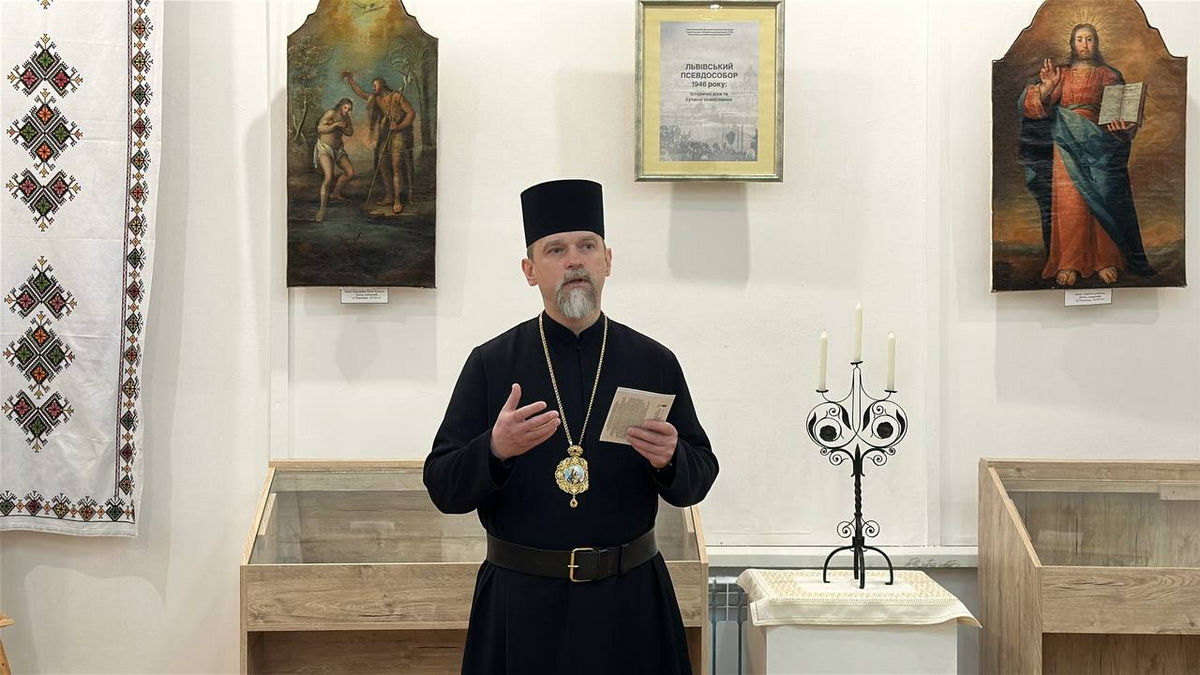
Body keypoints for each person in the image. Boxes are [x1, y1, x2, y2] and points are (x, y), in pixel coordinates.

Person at [424, 179, 718, 674]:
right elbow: (442, 487)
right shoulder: (491, 364)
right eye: (555, 250)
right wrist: (494, 449)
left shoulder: (653, 362)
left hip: (630, 604)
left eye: (587, 246)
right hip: (522, 606)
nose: (574, 261)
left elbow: (699, 478)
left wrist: (673, 459)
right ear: (530, 270)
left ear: (607, 261)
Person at [1019, 23, 1155, 286]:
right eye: (1080, 39)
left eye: (1090, 39)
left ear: (1097, 43)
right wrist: (1047, 87)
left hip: (1100, 143)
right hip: (1066, 142)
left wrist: (1122, 127)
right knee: (1070, 203)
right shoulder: (1062, 74)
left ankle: (1106, 260)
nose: (1085, 44)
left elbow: (1123, 111)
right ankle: (1068, 262)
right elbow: (1032, 107)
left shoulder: (1108, 75)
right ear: (1072, 43)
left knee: (1101, 200)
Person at [342, 72, 415, 214]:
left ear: (383, 85)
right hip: (387, 133)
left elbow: (411, 113)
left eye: (375, 85)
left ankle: (397, 200)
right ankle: (389, 195)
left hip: (400, 132)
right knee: (382, 163)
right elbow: (360, 93)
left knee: (396, 165)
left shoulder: (396, 96)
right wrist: (350, 79)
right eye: (373, 85)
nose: (373, 87)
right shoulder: (376, 98)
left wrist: (399, 126)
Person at [312, 97, 357, 223]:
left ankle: (336, 193)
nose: (347, 111)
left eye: (349, 109)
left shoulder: (346, 117)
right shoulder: (331, 113)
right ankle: (321, 210)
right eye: (345, 108)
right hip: (325, 148)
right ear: (340, 106)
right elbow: (320, 129)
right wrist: (336, 125)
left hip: (338, 150)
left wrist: (343, 127)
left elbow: (350, 132)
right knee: (328, 178)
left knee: (350, 173)